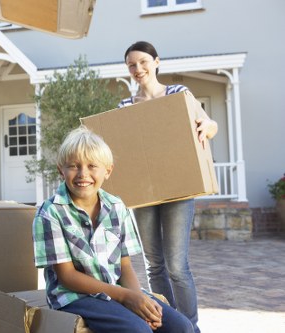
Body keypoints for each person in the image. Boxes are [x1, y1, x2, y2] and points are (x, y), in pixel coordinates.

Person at [33, 126, 194, 333]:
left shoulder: (117, 207)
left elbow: (124, 266)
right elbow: (67, 277)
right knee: (138, 331)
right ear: (60, 169)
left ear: (108, 171)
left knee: (182, 327)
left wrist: (139, 300)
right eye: (74, 166)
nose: (83, 174)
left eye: (92, 166)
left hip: (117, 290)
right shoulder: (50, 213)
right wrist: (125, 297)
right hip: (74, 295)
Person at [118, 41, 218, 333]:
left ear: (157, 62)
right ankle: (166, 324)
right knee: (154, 266)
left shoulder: (177, 95)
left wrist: (207, 128)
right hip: (144, 194)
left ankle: (190, 327)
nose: (138, 69)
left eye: (143, 62)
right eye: (132, 65)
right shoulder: (125, 107)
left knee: (176, 266)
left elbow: (208, 123)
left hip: (178, 189)